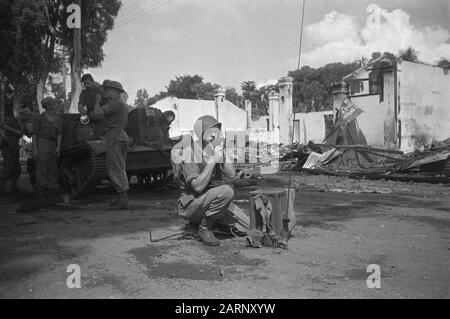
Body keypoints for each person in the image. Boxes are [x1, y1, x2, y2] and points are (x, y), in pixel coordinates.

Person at [171, 115, 249, 246]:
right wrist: (212, 160)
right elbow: (197, 187)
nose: (215, 135)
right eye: (210, 131)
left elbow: (232, 175)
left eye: (217, 131)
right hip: (193, 204)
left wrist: (222, 153)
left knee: (247, 228)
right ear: (200, 134)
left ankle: (214, 222)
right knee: (226, 191)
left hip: (214, 200)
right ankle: (204, 228)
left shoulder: (215, 149)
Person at [90, 80, 130, 209]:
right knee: (120, 166)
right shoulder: (122, 104)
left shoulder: (115, 104)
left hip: (114, 135)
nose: (105, 93)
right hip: (121, 134)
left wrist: (97, 101)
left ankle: (122, 200)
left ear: (114, 91)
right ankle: (122, 198)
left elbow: (96, 115)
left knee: (115, 167)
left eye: (107, 90)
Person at [32, 97, 62, 196]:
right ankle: (41, 188)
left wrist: (58, 147)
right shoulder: (39, 118)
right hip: (42, 143)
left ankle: (51, 187)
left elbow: (59, 134)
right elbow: (35, 134)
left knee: (53, 166)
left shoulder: (57, 119)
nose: (55, 106)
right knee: (42, 166)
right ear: (48, 106)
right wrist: (35, 149)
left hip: (53, 144)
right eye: (53, 104)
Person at [0, 112, 23, 194]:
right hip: (8, 143)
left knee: (16, 166)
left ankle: (14, 187)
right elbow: (2, 125)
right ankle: (2, 188)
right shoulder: (9, 118)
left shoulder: (19, 120)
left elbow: (22, 132)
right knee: (8, 165)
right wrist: (16, 131)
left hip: (15, 143)